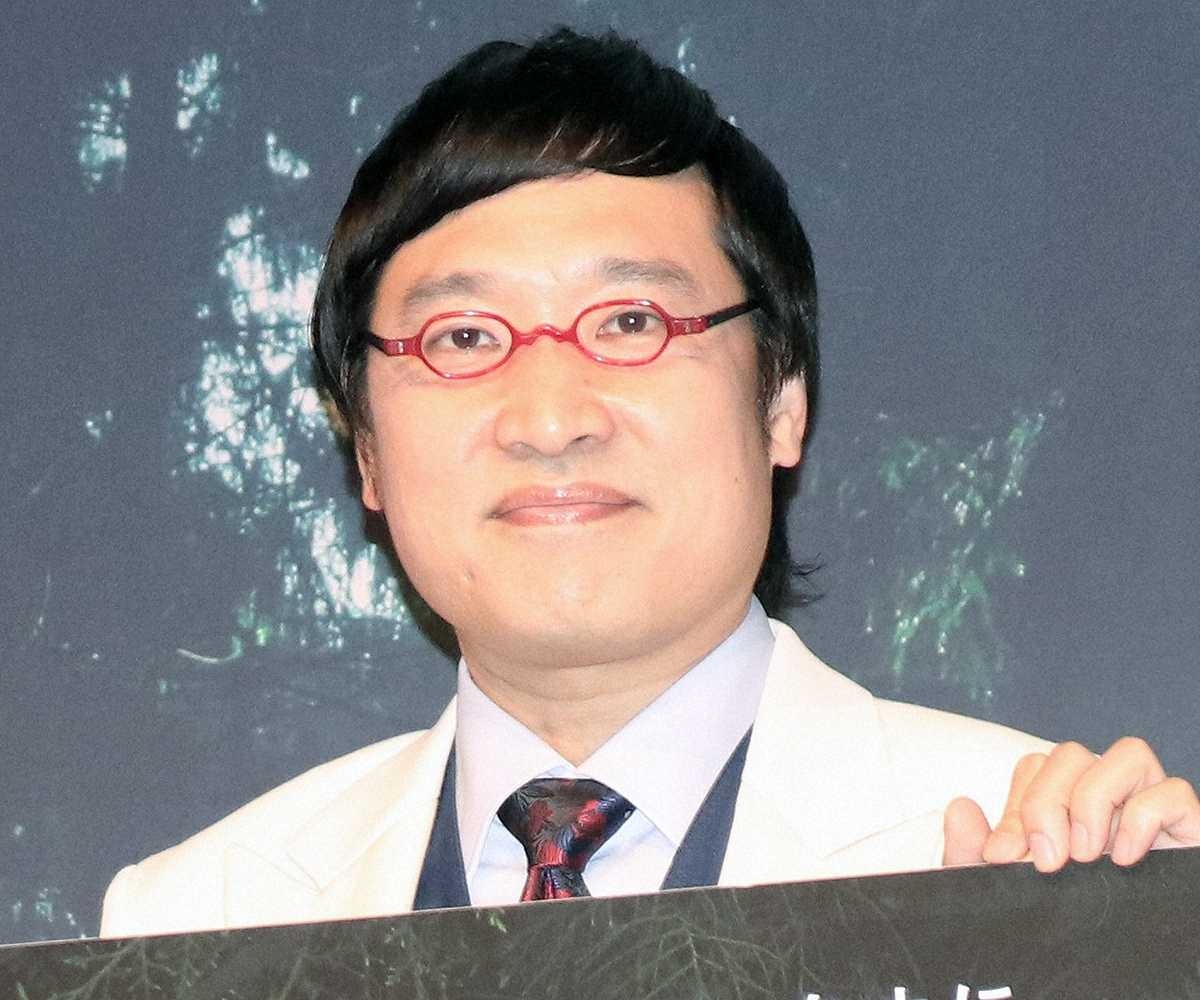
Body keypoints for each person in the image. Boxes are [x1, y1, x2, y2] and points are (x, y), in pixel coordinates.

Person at [99, 29, 1199, 937]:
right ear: (367, 453)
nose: (550, 419)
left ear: (782, 401)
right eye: (464, 337)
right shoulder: (193, 922)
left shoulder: (1046, 878)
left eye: (632, 322)